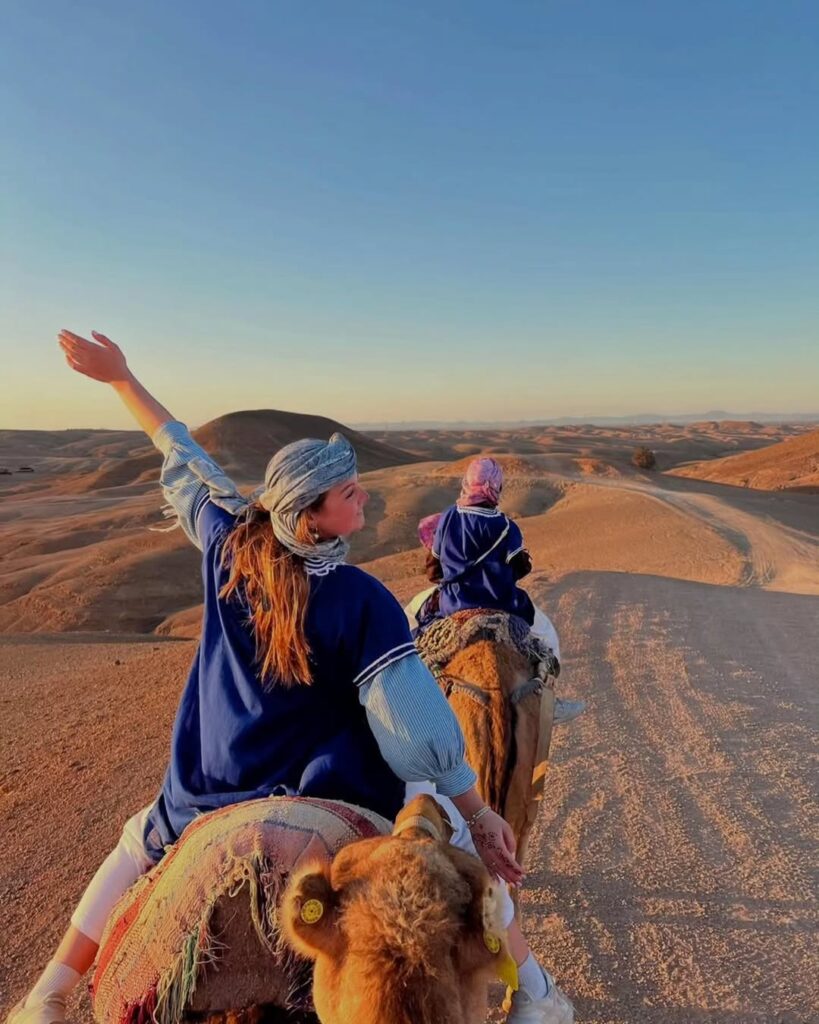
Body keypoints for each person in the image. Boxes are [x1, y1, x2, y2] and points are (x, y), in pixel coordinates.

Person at [8, 330, 573, 1024]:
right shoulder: (359, 597)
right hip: (330, 782)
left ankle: (51, 993)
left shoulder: (228, 546)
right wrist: (479, 814)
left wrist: (120, 378)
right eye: (348, 492)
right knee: (462, 861)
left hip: (212, 780)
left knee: (137, 845)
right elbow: (411, 727)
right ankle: (536, 998)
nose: (363, 498)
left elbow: (183, 459)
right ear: (311, 516)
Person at [409, 461, 585, 726]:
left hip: (452, 603)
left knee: (409, 620)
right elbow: (520, 568)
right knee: (546, 633)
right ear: (496, 487)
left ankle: (403, 699)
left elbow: (433, 569)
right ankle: (550, 703)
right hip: (503, 603)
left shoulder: (447, 518)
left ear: (467, 483)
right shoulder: (506, 526)